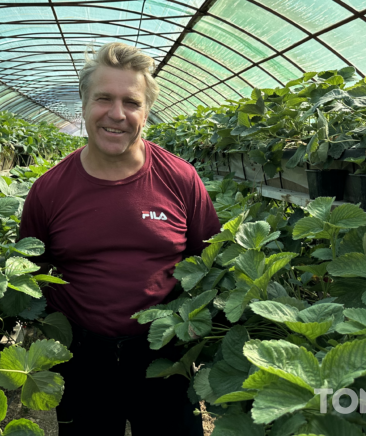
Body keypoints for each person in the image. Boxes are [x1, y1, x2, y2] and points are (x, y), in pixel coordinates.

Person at [19, 42, 221, 435]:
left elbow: (209, 262)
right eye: (103, 99)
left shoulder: (180, 179)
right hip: (82, 356)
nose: (117, 114)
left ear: (146, 111)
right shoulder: (49, 190)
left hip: (164, 352)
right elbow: (31, 273)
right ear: (83, 103)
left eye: (131, 102)